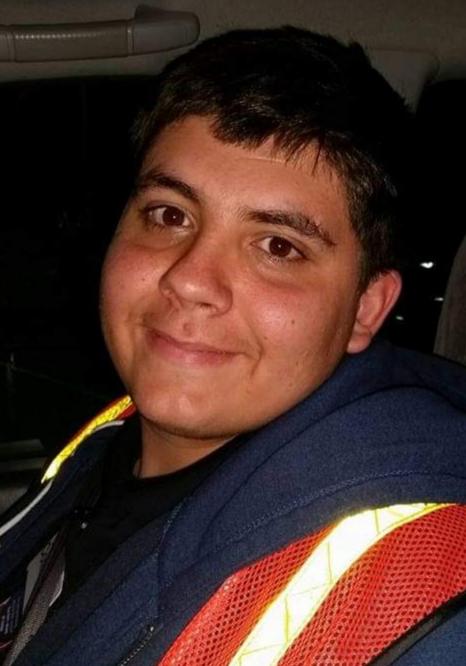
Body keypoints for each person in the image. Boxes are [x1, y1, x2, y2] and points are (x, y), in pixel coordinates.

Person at [2, 26, 466, 666]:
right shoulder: (110, 440)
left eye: (278, 246)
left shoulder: (421, 589)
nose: (189, 279)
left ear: (366, 308)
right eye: (170, 214)